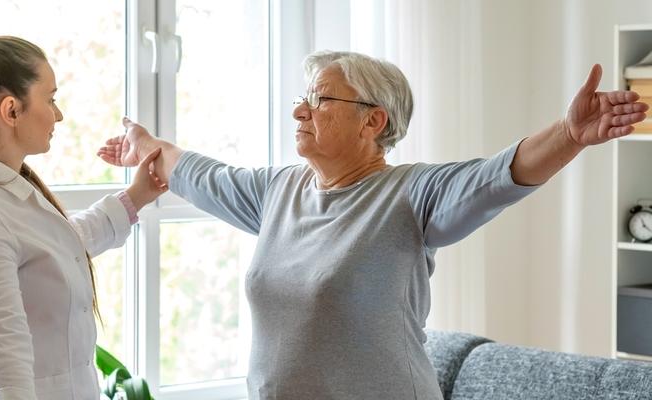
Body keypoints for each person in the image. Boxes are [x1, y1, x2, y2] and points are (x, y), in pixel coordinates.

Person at [97, 50, 648, 399]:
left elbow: (496, 176)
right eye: (300, 99)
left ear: (373, 120)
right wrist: (147, 147)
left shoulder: (409, 195)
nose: (299, 112)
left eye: (318, 99)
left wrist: (569, 135)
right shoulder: (279, 191)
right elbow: (202, 174)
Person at [0, 29, 167, 399]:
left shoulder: (2, 192)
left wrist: (138, 194)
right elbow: (2, 351)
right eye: (51, 99)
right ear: (11, 110)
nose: (59, 114)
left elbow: (59, 246)